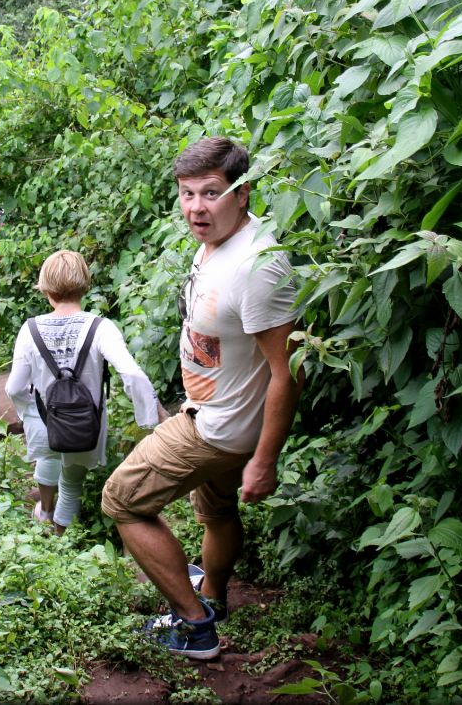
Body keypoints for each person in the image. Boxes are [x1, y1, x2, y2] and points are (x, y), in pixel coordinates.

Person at [100, 136, 303, 660]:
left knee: (121, 500)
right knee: (215, 511)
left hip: (219, 428)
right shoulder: (218, 241)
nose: (196, 208)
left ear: (242, 192)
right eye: (187, 194)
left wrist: (265, 459)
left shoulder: (258, 267)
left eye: (210, 193)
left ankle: (195, 628)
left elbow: (288, 373)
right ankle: (212, 595)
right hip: (212, 410)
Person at [6, 250, 166, 535]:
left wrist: (29, 413)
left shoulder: (30, 330)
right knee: (71, 481)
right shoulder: (101, 327)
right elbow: (130, 372)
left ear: (45, 287)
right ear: (84, 284)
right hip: (85, 423)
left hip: (45, 417)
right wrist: (150, 418)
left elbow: (14, 387)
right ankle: (61, 538)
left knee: (47, 458)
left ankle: (43, 511)